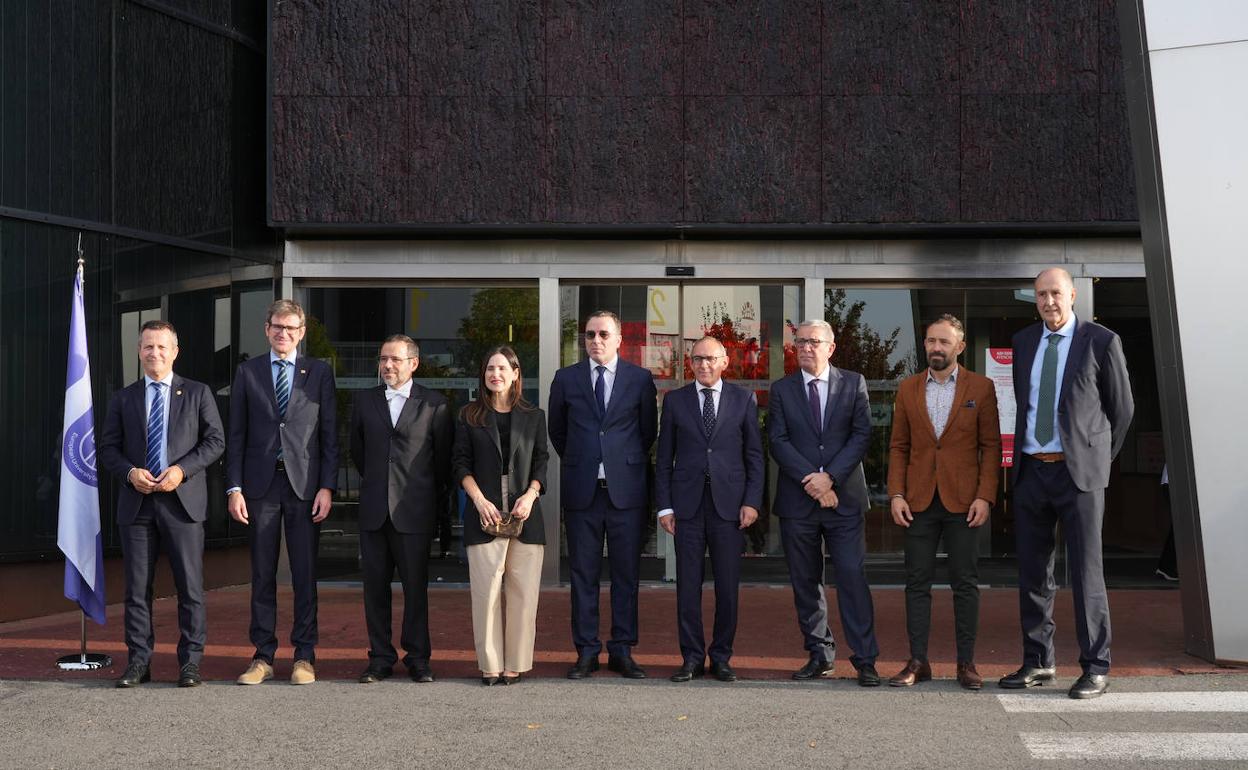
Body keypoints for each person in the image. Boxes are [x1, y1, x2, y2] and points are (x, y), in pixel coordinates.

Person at [999, 268, 1133, 699]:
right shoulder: (1022, 342)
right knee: (1034, 573)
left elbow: (1122, 411)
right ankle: (1039, 661)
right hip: (1031, 471)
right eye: (1041, 294)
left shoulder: (1101, 340)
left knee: (1087, 573)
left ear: (1072, 294)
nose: (1049, 302)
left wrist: (1097, 462)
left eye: (1056, 293)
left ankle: (1096, 666)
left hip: (1079, 476)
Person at [99, 320, 224, 688]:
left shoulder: (198, 393)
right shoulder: (124, 398)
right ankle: (139, 661)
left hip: (182, 504)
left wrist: (181, 471)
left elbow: (215, 441)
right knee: (137, 589)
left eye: (162, 347)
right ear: (139, 351)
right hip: (137, 506)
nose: (154, 353)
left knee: (190, 587)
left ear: (175, 351)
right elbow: (108, 449)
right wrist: (129, 473)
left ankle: (190, 663)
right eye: (148, 347)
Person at [886, 314, 1001, 690]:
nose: (936, 347)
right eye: (931, 341)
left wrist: (985, 496)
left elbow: (990, 447)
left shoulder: (981, 388)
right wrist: (896, 494)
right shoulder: (907, 389)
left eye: (944, 342)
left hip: (964, 502)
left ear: (960, 347)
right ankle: (918, 661)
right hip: (917, 501)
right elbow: (899, 446)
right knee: (916, 584)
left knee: (965, 584)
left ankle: (966, 663)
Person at [226, 299, 338, 686]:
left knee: (305, 574)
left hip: (306, 486)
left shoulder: (319, 372)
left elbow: (329, 435)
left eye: (291, 328)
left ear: (301, 332)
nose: (283, 333)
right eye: (277, 326)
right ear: (267, 328)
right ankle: (263, 656)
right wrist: (234, 487)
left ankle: (304, 656)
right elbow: (235, 435)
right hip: (260, 487)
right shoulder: (248, 372)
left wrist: (327, 485)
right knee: (262, 573)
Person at [767, 319, 880, 686]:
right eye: (799, 342)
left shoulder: (853, 383)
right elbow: (778, 440)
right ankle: (819, 653)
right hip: (798, 502)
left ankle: (865, 659)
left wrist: (830, 477)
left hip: (843, 499)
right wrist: (813, 482)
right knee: (805, 581)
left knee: (851, 577)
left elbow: (862, 434)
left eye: (813, 342)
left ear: (830, 348)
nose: (805, 348)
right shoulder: (782, 389)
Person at [549, 310, 657, 679]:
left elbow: (647, 433)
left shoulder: (640, 380)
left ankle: (622, 650)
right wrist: (586, 462)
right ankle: (587, 650)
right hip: (583, 492)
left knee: (626, 575)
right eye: (590, 334)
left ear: (619, 339)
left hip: (626, 492)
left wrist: (618, 463)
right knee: (583, 574)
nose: (596, 340)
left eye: (603, 334)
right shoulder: (565, 379)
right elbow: (558, 432)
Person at [655, 336, 763, 683]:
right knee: (688, 586)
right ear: (690, 363)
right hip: (686, 507)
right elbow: (663, 459)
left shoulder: (744, 399)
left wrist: (751, 501)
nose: (703, 364)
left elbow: (755, 457)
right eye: (697, 359)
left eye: (710, 358)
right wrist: (664, 507)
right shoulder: (674, 401)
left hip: (729, 507)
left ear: (724, 362)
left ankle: (721, 657)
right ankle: (690, 657)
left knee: (727, 587)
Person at [350, 334, 451, 684]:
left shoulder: (435, 404)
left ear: (414, 363)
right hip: (375, 511)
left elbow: (441, 463)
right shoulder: (364, 401)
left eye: (394, 359)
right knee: (374, 589)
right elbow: (359, 452)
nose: (387, 366)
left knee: (415, 590)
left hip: (414, 511)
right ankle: (379, 657)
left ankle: (418, 658)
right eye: (383, 359)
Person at [452, 346, 549, 686]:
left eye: (502, 368)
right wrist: (478, 500)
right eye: (490, 368)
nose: (495, 374)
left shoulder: (534, 416)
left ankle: (516, 664)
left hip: (525, 512)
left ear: (515, 373)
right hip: (485, 512)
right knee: (486, 593)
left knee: (523, 595)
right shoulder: (468, 415)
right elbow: (460, 463)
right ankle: (490, 665)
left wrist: (531, 495)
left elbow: (541, 461)